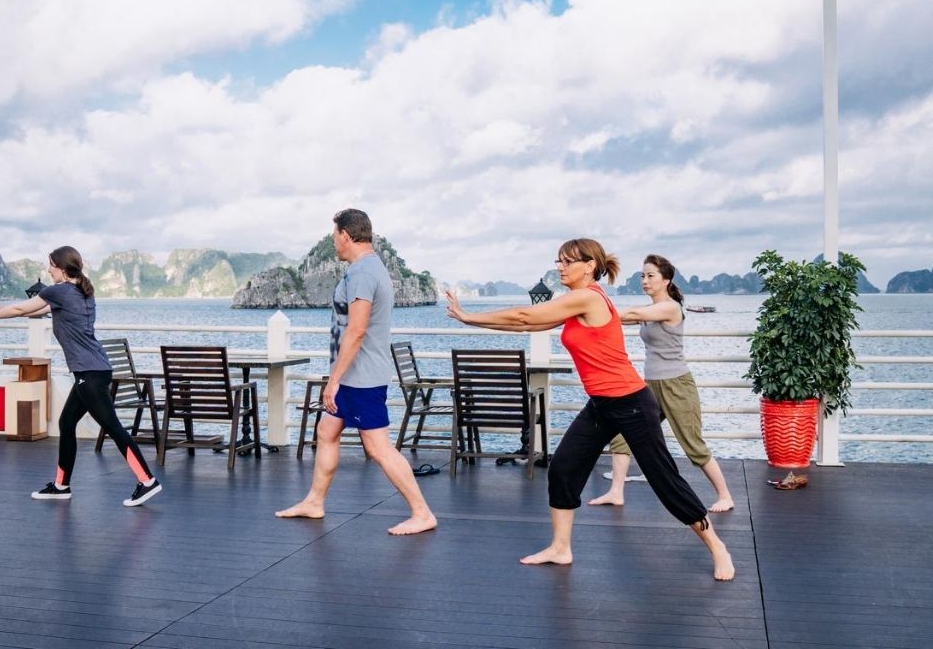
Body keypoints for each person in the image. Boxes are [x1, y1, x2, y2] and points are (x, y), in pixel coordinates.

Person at [445, 239, 733, 580]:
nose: (560, 267)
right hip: (601, 403)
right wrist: (474, 322)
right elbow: (528, 324)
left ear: (589, 266)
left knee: (664, 478)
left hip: (631, 402)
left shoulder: (589, 297)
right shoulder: (575, 304)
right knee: (564, 468)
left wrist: (468, 315)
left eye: (568, 262)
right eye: (559, 261)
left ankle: (717, 547)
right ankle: (560, 547)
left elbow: (524, 314)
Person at [277, 209, 437, 536]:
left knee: (378, 447)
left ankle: (422, 513)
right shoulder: (365, 269)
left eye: (335, 235)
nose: (333, 242)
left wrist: (333, 380)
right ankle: (314, 501)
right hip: (353, 376)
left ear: (346, 235)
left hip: (361, 377)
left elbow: (358, 329)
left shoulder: (363, 273)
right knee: (327, 431)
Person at [0, 246, 162, 507]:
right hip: (95, 370)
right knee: (67, 424)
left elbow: (22, 310)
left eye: (50, 265)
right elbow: (36, 310)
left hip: (89, 373)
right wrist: (8, 309)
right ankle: (61, 485)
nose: (48, 270)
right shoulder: (82, 291)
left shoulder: (57, 291)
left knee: (113, 427)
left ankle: (147, 481)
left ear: (62, 269)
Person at [588, 254, 735, 512]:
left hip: (676, 385)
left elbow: (630, 313)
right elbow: (620, 319)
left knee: (692, 443)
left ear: (666, 280)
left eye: (650, 276)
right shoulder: (649, 311)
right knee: (623, 434)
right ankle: (616, 491)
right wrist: (582, 316)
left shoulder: (670, 307)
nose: (644, 280)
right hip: (649, 385)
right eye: (642, 276)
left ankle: (725, 496)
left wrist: (592, 307)